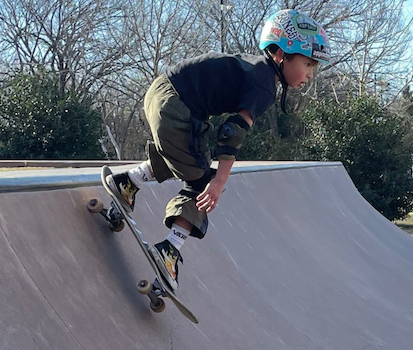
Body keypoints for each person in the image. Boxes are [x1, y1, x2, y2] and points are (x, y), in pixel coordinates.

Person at [104, 8, 329, 290]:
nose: (310, 75)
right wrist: (219, 181)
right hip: (177, 107)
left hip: (161, 93)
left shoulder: (254, 69)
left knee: (189, 156)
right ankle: (170, 249)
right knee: (205, 182)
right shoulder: (264, 86)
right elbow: (231, 131)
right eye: (308, 64)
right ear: (282, 54)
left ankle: (128, 181)